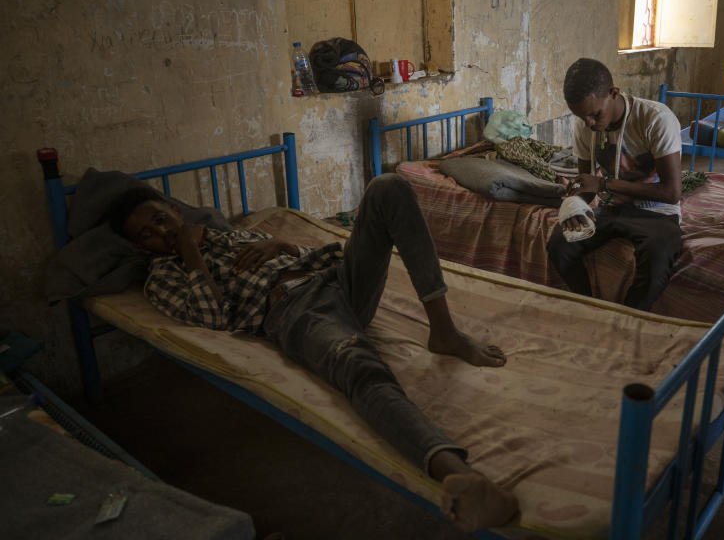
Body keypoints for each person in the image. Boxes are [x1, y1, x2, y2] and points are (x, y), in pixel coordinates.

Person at [107, 174, 519, 533]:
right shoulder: (162, 278)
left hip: (337, 279)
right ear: (141, 249)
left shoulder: (232, 236)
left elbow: (321, 254)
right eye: (146, 235)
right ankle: (463, 476)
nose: (160, 233)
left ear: (176, 211)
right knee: (356, 367)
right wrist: (190, 252)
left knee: (388, 188)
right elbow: (212, 318)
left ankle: (444, 330)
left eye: (161, 219)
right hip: (297, 310)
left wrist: (284, 247)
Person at [547, 57, 683, 311]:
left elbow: (672, 193)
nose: (589, 123)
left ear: (613, 93)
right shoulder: (585, 125)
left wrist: (604, 185)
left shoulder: (655, 119)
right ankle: (591, 307)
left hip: (656, 213)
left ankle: (627, 319)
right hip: (611, 210)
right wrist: (574, 206)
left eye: (594, 114)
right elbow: (586, 187)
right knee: (559, 245)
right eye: (581, 116)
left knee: (657, 259)